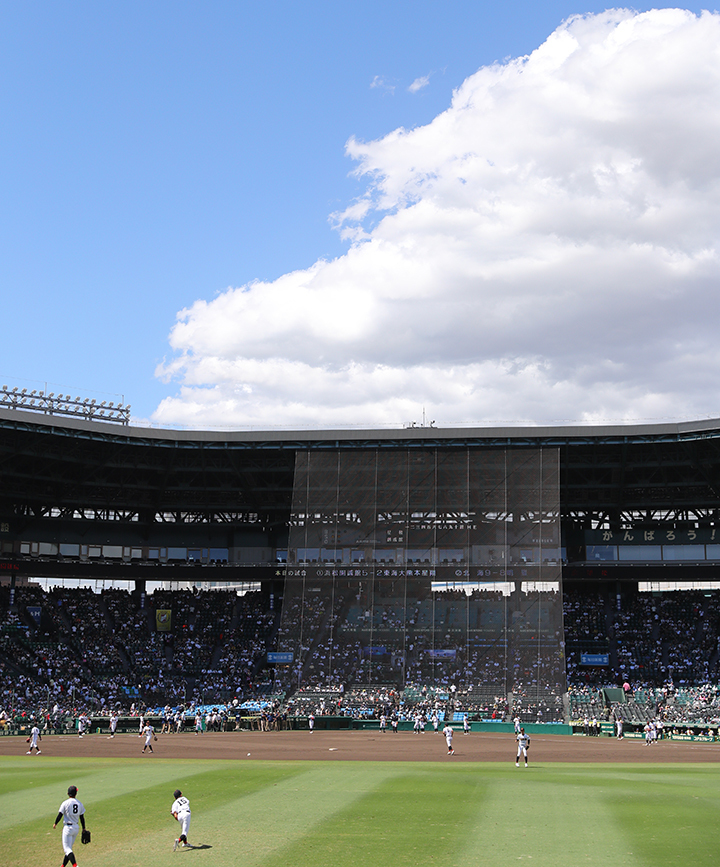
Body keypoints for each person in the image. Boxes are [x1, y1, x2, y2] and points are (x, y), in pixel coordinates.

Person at [53, 785, 86, 867]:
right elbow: (82, 817)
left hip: (68, 829)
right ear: (76, 793)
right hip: (76, 828)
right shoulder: (79, 803)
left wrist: (55, 823)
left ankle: (75, 865)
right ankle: (63, 865)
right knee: (69, 849)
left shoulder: (65, 803)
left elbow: (60, 814)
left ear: (68, 793)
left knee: (67, 849)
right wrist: (84, 828)